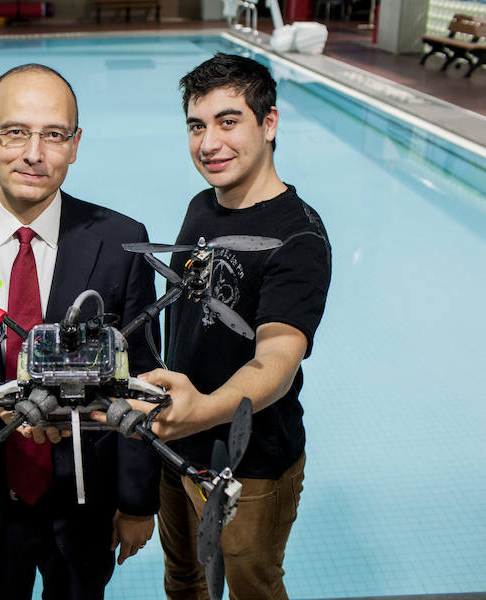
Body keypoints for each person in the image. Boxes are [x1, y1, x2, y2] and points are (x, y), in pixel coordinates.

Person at [0, 64, 161, 600]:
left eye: (54, 135)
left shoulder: (120, 242)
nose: (34, 153)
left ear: (75, 144)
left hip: (84, 506)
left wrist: (138, 502)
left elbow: (143, 378)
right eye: (16, 132)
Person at [98, 53, 332, 599]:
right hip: (179, 446)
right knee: (184, 579)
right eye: (197, 126)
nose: (209, 144)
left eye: (229, 122)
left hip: (248, 465)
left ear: (268, 124)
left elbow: (276, 358)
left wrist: (203, 409)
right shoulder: (204, 205)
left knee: (253, 589)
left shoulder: (298, 239)